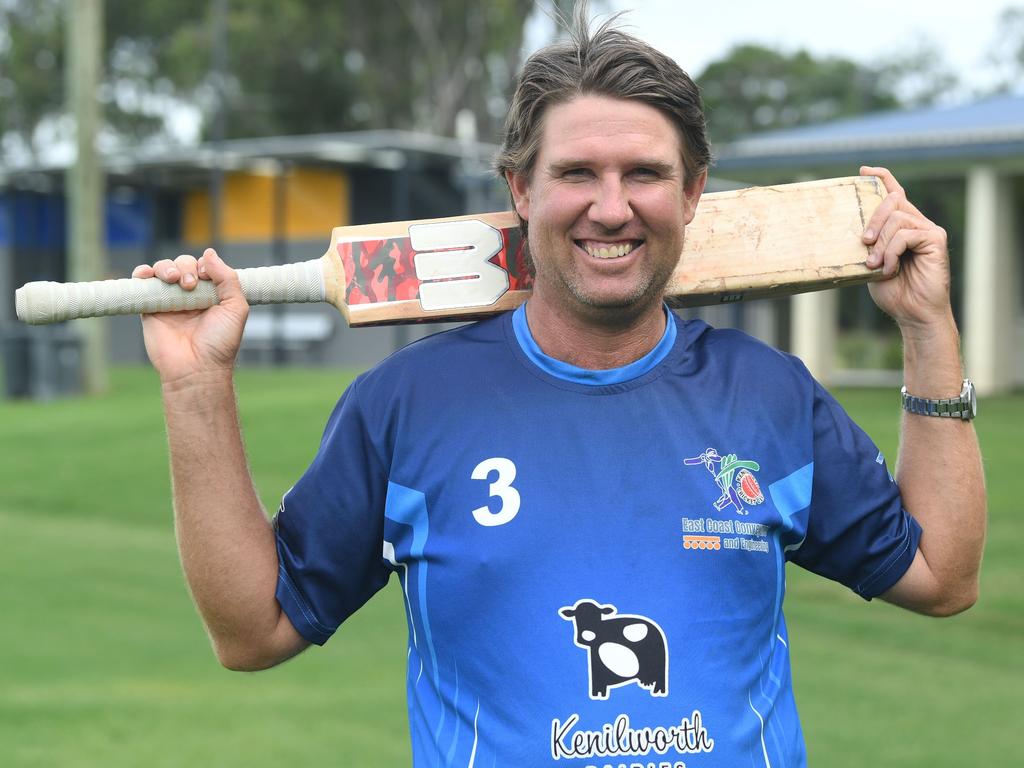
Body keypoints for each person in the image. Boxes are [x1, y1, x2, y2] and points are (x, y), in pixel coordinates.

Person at [132, 16, 986, 768]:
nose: (611, 208)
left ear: (692, 194)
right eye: (578, 172)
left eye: (645, 174)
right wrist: (196, 384)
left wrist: (927, 329)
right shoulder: (406, 406)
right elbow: (253, 632)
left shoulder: (768, 396)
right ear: (521, 189)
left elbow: (941, 575)